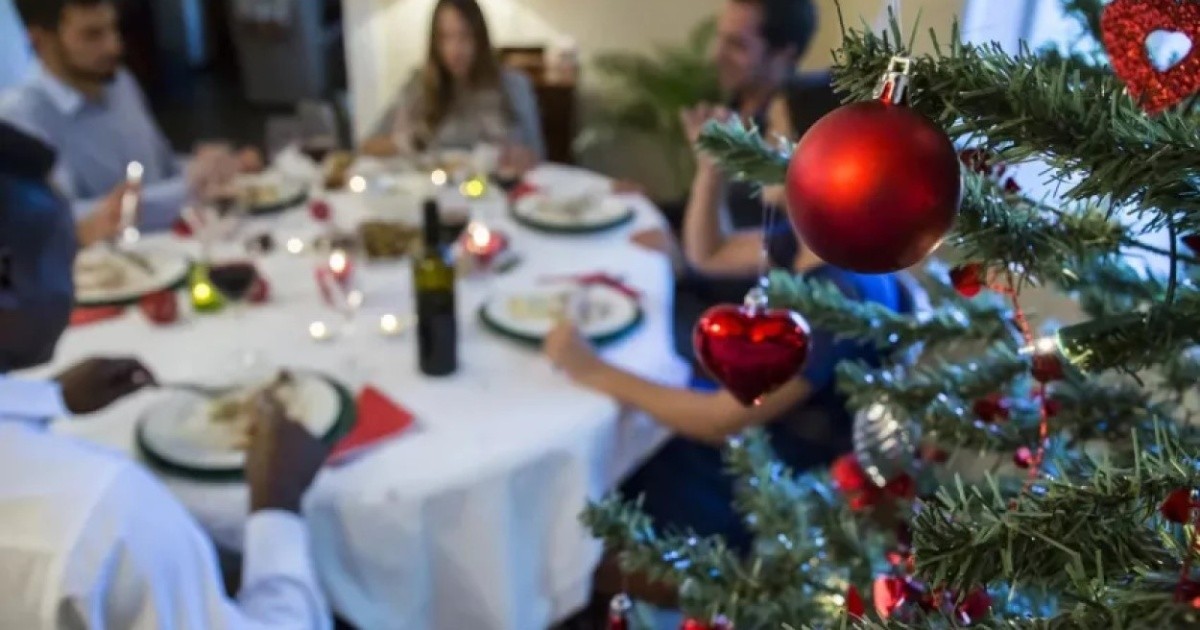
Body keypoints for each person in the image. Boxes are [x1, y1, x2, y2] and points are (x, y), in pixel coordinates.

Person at [543, 88, 906, 561]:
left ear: (827, 162)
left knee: (584, 477)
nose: (761, 143)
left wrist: (592, 369)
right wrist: (709, 170)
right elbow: (707, 254)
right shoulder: (808, 240)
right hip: (744, 443)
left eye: (777, 134)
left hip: (764, 484)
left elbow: (721, 422)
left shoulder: (843, 294)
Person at [0, 121, 331, 628]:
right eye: (68, 257)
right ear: (6, 278)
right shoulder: (104, 521)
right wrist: (276, 506)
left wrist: (45, 398)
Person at [0, 0, 261, 234]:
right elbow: (65, 218)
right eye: (93, 35)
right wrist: (190, 186)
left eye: (113, 29)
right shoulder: (19, 116)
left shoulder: (119, 83)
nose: (114, 46)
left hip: (173, 244)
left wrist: (216, 168)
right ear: (39, 42)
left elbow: (161, 168)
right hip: (102, 276)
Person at [360, 0, 544, 166]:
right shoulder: (418, 85)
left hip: (494, 193)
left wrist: (518, 156)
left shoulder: (513, 84)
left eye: (464, 36)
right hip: (431, 192)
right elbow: (368, 146)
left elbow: (538, 157)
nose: (454, 50)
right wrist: (406, 141)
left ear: (480, 39)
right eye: (444, 38)